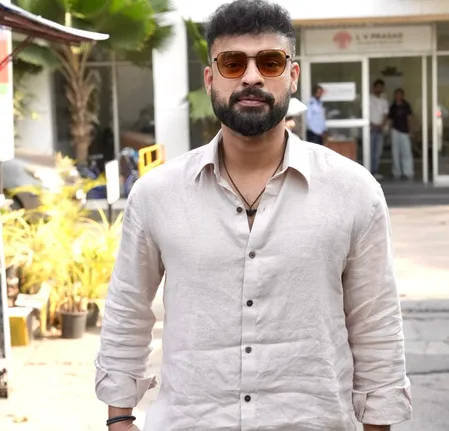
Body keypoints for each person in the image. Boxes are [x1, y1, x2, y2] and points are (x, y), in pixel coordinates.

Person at [95, 1, 412, 430]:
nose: (251, 77)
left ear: (292, 75)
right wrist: (118, 419)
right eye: (232, 63)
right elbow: (128, 310)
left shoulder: (353, 191)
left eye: (269, 62)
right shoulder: (157, 194)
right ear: (210, 79)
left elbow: (375, 325)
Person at [388, 88, 414, 180]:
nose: (398, 96)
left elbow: (409, 119)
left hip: (405, 131)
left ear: (402, 96)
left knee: (406, 152)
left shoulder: (406, 105)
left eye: (399, 94)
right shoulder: (393, 107)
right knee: (395, 152)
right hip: (395, 130)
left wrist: (411, 130)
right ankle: (397, 172)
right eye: (396, 94)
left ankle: (408, 172)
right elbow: (390, 120)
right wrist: (389, 131)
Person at [369, 79, 389, 180]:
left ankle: (375, 171)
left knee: (378, 152)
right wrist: (371, 124)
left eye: (382, 88)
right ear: (374, 88)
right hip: (370, 128)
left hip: (380, 128)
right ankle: (368, 172)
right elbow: (365, 112)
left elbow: (385, 114)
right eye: (378, 87)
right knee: (369, 150)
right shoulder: (369, 98)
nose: (380, 89)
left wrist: (382, 124)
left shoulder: (384, 100)